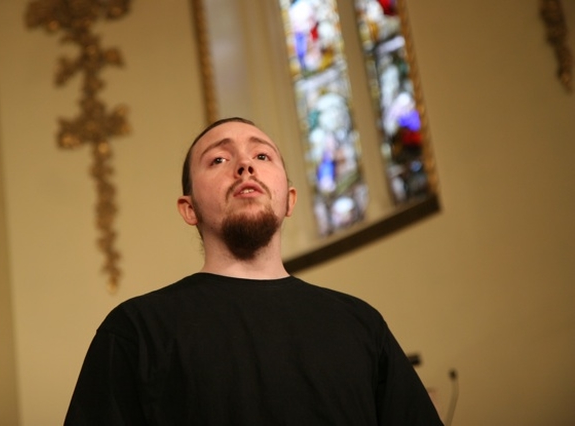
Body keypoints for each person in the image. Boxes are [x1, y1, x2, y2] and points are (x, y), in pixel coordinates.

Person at [64, 117, 443, 425]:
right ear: (188, 208)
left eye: (262, 157)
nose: (245, 165)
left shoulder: (360, 324)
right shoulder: (137, 330)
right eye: (218, 160)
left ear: (289, 199)